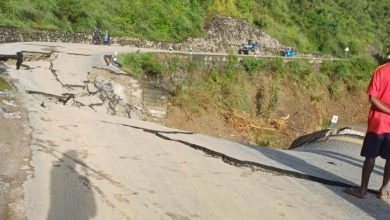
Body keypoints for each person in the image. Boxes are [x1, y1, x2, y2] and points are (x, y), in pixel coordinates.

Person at [345, 63, 390, 199]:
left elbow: (373, 98)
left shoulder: (381, 70)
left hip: (378, 123)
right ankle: (383, 191)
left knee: (370, 156)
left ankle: (362, 190)